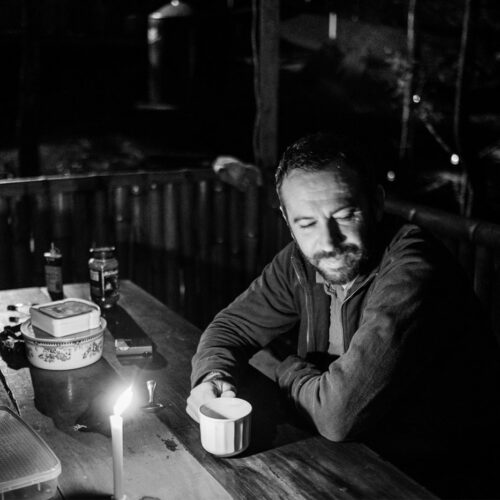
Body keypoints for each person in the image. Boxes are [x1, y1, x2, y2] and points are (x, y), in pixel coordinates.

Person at [186, 132, 500, 498]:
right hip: (352, 463)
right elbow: (231, 326)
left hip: (438, 479)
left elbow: (338, 414)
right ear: (287, 220)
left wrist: (282, 368)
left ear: (377, 204)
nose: (328, 241)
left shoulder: (413, 268)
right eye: (306, 223)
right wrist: (211, 376)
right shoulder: (297, 262)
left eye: (345, 214)